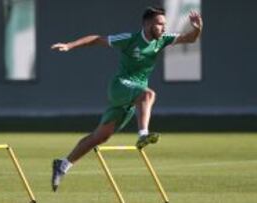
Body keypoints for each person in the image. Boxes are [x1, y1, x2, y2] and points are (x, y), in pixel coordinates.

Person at [50, 6, 203, 192]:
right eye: (160, 24)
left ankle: (63, 164)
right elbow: (97, 39)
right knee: (149, 94)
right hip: (120, 86)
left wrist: (197, 29)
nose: (163, 28)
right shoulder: (130, 39)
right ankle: (143, 135)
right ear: (147, 24)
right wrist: (69, 45)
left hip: (132, 97)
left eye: (164, 24)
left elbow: (190, 39)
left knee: (100, 136)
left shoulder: (162, 40)